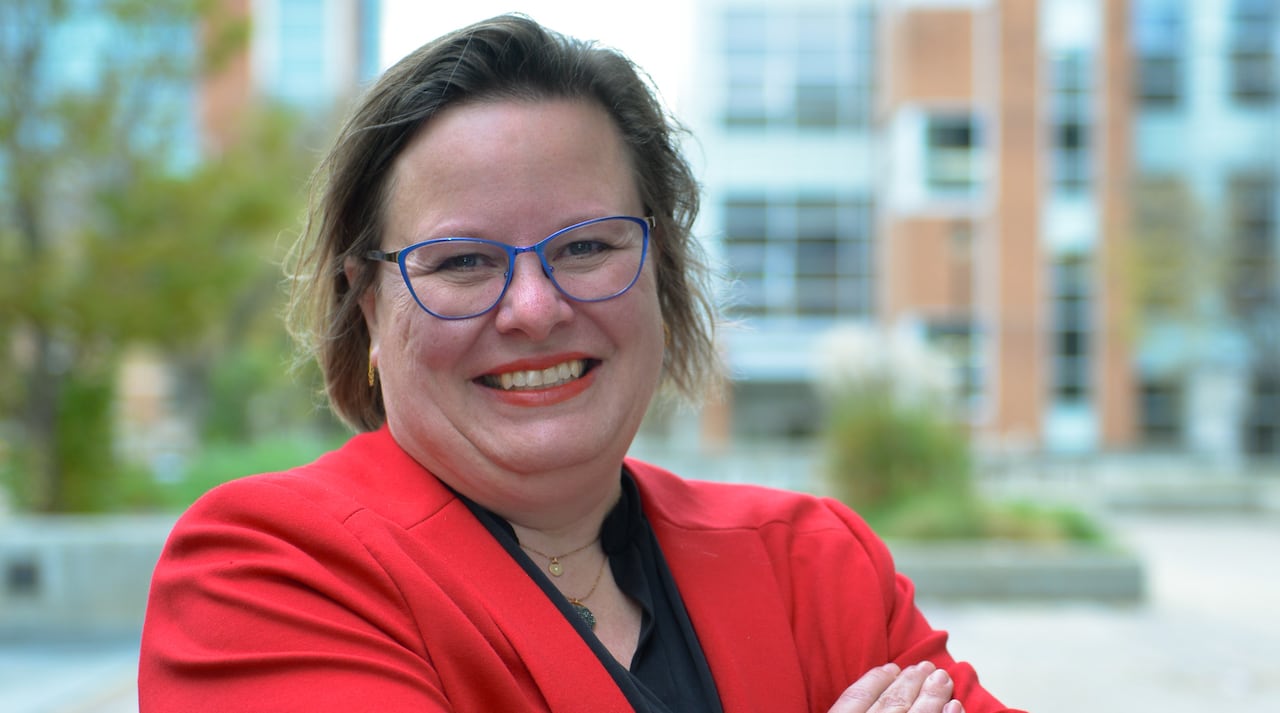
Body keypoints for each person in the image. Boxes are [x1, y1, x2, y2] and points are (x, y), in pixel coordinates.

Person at [139, 14, 1022, 713]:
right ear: (369, 306)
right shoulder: (266, 572)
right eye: (463, 261)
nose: (534, 308)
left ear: (661, 273)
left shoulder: (813, 566)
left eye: (588, 246)